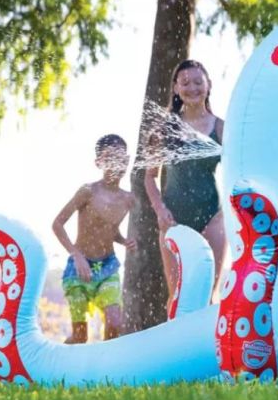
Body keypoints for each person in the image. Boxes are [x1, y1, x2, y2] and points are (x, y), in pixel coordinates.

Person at [144, 60, 225, 308]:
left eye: (198, 82)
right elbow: (149, 176)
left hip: (213, 217)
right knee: (177, 298)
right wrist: (159, 210)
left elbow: (237, 170)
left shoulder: (221, 128)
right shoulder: (165, 129)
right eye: (185, 83)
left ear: (208, 85)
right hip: (173, 218)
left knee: (209, 297)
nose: (193, 88)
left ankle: (208, 347)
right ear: (176, 89)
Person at [52, 134, 136, 343]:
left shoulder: (128, 199)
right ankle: (61, 362)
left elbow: (109, 229)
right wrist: (76, 255)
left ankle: (107, 369)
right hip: (79, 268)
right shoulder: (88, 191)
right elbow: (57, 224)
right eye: (109, 157)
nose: (116, 162)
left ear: (127, 161)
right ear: (98, 162)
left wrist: (124, 240)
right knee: (80, 336)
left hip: (107, 267)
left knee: (115, 323)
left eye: (120, 158)